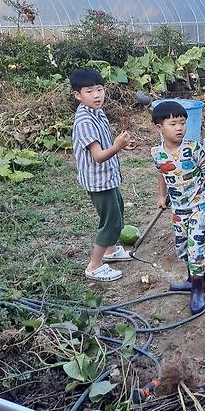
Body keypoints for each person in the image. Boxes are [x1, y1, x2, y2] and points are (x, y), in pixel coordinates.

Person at [151, 101, 205, 315]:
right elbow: (161, 173)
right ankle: (193, 279)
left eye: (182, 123)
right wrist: (161, 195)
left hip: (198, 205)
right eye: (173, 123)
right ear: (159, 128)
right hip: (178, 208)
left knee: (195, 248)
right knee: (182, 247)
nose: (179, 128)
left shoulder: (193, 148)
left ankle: (197, 291)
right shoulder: (157, 153)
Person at [70, 68, 133, 282]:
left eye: (99, 89)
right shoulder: (84, 121)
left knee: (118, 210)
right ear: (78, 95)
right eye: (89, 91)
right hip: (98, 181)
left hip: (108, 176)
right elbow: (97, 156)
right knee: (110, 221)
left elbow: (106, 145)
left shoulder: (97, 112)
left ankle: (111, 250)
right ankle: (95, 265)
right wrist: (117, 146)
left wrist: (121, 146)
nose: (97, 95)